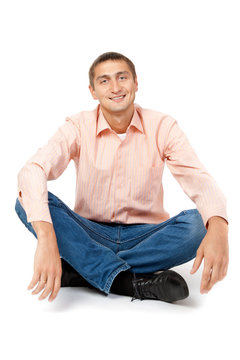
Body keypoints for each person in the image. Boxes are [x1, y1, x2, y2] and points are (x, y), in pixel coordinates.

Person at [15, 51, 229, 304]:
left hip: (146, 235)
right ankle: (127, 282)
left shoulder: (163, 126)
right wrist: (48, 239)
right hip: (91, 231)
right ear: (92, 91)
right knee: (25, 201)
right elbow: (33, 170)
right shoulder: (77, 126)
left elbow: (198, 178)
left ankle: (84, 269)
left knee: (198, 224)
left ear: (136, 83)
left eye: (122, 77)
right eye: (104, 81)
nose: (115, 87)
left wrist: (219, 227)